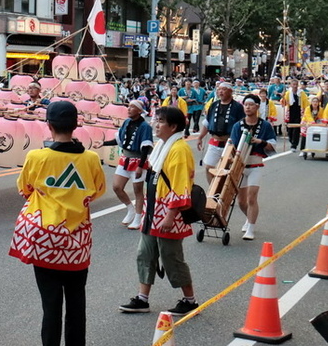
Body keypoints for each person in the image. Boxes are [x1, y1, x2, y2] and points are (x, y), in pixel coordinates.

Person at [9, 101, 105, 346]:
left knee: (51, 305)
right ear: (76, 126)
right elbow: (97, 191)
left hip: (46, 242)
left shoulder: (37, 157)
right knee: (77, 303)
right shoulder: (91, 159)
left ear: (48, 125)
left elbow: (24, 189)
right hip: (77, 241)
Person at [119, 106, 200, 316]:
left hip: (168, 212)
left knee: (171, 257)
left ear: (173, 126)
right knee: (145, 254)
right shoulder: (162, 145)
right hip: (153, 209)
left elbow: (180, 186)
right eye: (156, 119)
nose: (156, 124)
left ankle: (190, 300)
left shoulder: (179, 150)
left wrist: (170, 216)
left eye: (161, 121)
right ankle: (142, 298)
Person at [228, 94, 277, 241]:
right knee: (241, 201)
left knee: (251, 198)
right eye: (246, 105)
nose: (248, 107)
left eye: (251, 105)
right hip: (241, 165)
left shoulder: (265, 125)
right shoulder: (238, 125)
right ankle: (249, 219)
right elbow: (231, 144)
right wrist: (229, 157)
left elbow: (272, 146)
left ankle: (250, 228)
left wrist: (260, 141)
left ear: (257, 107)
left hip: (255, 164)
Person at [103, 101, 153, 230]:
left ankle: (138, 216)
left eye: (132, 107)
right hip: (125, 158)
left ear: (139, 111)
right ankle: (130, 209)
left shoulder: (145, 126)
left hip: (138, 160)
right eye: (128, 106)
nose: (128, 109)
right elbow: (119, 139)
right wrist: (103, 143)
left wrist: (141, 166)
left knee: (138, 190)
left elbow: (146, 147)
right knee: (117, 187)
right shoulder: (126, 122)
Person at [197, 81, 245, 182]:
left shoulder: (237, 107)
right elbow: (207, 123)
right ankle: (213, 191)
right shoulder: (213, 105)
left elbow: (242, 126)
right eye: (219, 90)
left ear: (230, 91)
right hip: (215, 141)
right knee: (208, 167)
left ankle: (223, 193)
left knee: (226, 170)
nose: (221, 92)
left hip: (230, 143)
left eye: (223, 89)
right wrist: (200, 137)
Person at [282, 78, 307, 151]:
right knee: (289, 129)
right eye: (293, 84)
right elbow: (284, 103)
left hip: (298, 111)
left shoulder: (301, 93)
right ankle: (291, 140)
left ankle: (294, 145)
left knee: (296, 128)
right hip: (290, 111)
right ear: (291, 85)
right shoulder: (288, 93)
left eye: (296, 84)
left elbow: (305, 103)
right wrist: (283, 97)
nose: (295, 86)